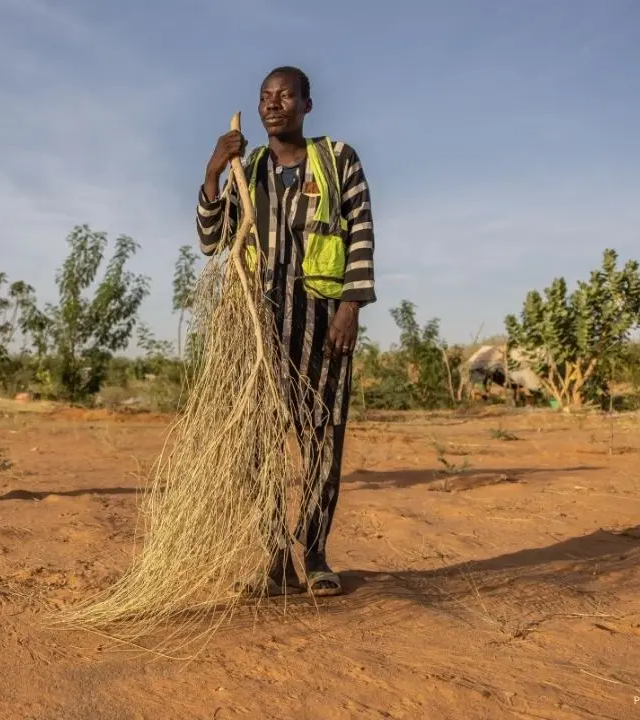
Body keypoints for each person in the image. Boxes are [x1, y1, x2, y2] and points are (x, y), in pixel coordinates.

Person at [195, 66, 376, 597]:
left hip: (322, 321)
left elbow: (361, 230)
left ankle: (316, 552)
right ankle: (275, 559)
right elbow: (214, 240)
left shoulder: (339, 160)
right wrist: (212, 174)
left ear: (307, 105)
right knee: (258, 444)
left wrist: (351, 307)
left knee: (322, 437)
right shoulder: (246, 169)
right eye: (265, 97)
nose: (274, 104)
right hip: (257, 327)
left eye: (285, 96)